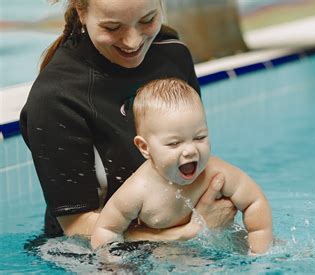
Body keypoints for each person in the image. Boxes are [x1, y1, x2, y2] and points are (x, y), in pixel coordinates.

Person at [20, 0, 236, 240]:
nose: (133, 42)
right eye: (112, 28)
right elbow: (75, 227)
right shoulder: (56, 97)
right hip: (90, 254)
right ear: (81, 12)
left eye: (147, 20)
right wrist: (189, 232)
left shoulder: (174, 56)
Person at [91, 78, 273, 254]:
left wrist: (259, 252)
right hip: (169, 256)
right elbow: (106, 230)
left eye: (200, 137)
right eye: (174, 143)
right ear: (145, 148)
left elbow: (254, 202)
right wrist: (114, 265)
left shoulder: (216, 172)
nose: (190, 151)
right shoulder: (138, 190)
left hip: (223, 248)